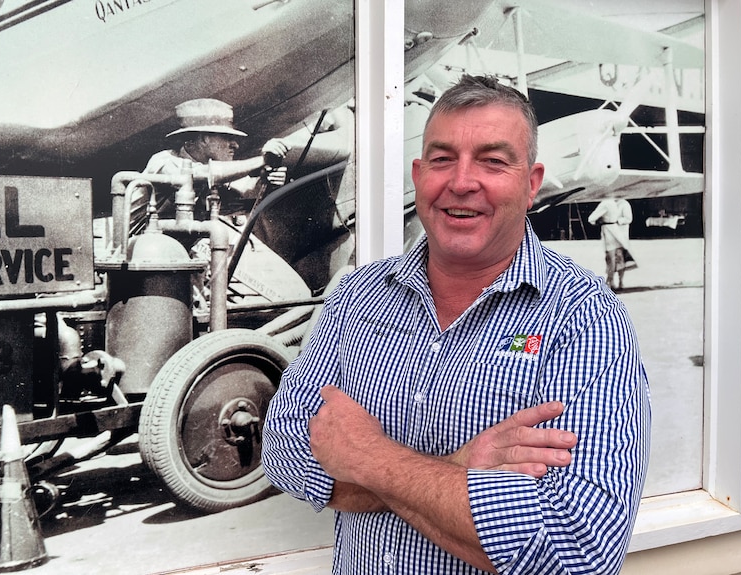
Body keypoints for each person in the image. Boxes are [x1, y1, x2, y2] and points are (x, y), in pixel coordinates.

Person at [261, 75, 650, 575]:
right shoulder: (357, 296)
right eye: (443, 159)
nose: (462, 182)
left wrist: (367, 457)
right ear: (420, 175)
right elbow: (284, 447)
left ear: (532, 184)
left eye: (493, 160)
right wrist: (458, 470)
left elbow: (577, 552)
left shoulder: (583, 318)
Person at [132, 98, 290, 230]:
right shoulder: (164, 162)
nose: (235, 145)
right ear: (204, 139)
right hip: (138, 252)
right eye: (227, 138)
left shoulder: (217, 173)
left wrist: (266, 182)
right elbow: (203, 175)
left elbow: (242, 195)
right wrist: (263, 160)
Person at [588, 197, 637, 291]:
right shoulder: (611, 203)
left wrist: (601, 221)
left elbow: (628, 218)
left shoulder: (621, 203)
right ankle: (612, 281)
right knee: (613, 258)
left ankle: (616, 282)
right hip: (613, 232)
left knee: (616, 258)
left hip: (619, 233)